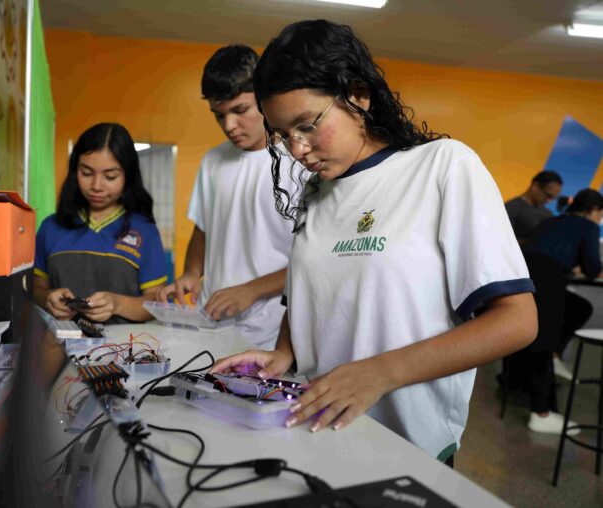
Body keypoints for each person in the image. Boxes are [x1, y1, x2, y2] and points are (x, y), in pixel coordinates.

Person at [211, 20, 538, 463]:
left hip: (408, 445)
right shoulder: (315, 193)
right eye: (284, 134)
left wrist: (381, 373)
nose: (297, 149)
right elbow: (307, 297)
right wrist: (283, 354)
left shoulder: (443, 168)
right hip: (318, 427)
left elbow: (516, 321)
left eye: (307, 125)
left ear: (358, 95)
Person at [156, 45, 297, 348]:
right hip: (212, 322)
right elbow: (204, 228)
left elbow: (316, 260)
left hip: (274, 332)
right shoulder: (212, 161)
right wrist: (192, 273)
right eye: (219, 115)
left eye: (240, 110)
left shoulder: (300, 162)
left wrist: (252, 290)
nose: (229, 126)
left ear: (264, 98)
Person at [34, 123, 168, 324]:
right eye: (86, 173)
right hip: (59, 345)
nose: (96, 186)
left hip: (124, 348)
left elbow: (155, 302)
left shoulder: (144, 230)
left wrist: (117, 303)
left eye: (110, 176)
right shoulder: (51, 227)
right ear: (74, 171)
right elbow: (35, 288)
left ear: (128, 176)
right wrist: (48, 298)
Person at [509, 189, 603, 434]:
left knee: (578, 307)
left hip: (524, 275)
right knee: (544, 340)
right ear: (594, 210)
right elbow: (593, 268)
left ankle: (549, 360)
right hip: (548, 277)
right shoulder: (588, 226)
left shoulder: (552, 220)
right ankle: (541, 412)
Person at [505, 171, 563, 244]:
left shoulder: (548, 214)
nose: (549, 201)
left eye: (553, 198)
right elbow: (503, 242)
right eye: (548, 195)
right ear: (536, 186)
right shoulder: (511, 207)